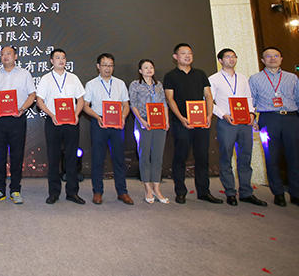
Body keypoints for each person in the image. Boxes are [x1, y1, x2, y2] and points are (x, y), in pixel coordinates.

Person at [249, 46, 299, 209]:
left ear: (281, 58)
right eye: (268, 56)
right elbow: (251, 101)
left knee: (295, 157)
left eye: (276, 56)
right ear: (262, 60)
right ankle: (278, 193)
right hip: (268, 119)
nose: (272, 59)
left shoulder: (292, 78)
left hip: (291, 119)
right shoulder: (255, 79)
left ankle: (296, 194)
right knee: (271, 157)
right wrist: (252, 118)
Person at [163, 43, 222, 204]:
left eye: (189, 53)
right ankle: (180, 192)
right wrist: (181, 118)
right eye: (183, 53)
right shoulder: (170, 76)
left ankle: (204, 191)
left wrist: (209, 115)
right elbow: (170, 99)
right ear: (175, 57)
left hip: (201, 123)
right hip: (181, 123)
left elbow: (208, 96)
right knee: (180, 157)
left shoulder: (200, 74)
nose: (187, 56)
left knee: (202, 157)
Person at [209, 49, 266, 206]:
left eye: (233, 56)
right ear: (220, 60)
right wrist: (223, 115)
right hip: (227, 123)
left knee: (245, 157)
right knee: (226, 157)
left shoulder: (242, 78)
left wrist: (252, 113)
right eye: (228, 57)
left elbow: (248, 98)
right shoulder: (213, 79)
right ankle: (230, 192)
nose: (231, 59)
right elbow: (209, 101)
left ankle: (246, 192)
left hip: (245, 122)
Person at [0, 45, 36, 204]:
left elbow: (32, 94)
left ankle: (15, 190)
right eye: (3, 54)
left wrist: (22, 108)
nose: (5, 56)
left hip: (17, 119)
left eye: (9, 53)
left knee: (17, 155)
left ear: (16, 56)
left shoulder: (25, 74)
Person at [36, 48, 86, 205]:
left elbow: (81, 99)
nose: (61, 60)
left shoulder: (73, 78)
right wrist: (52, 115)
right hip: (53, 122)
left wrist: (76, 114)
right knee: (53, 158)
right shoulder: (46, 79)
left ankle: (72, 192)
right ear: (51, 61)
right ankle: (54, 193)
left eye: (63, 58)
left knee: (72, 158)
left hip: (71, 123)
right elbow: (39, 101)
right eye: (57, 57)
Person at [83, 53, 132, 205]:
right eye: (104, 65)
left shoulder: (120, 83)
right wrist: (97, 117)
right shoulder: (91, 84)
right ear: (98, 66)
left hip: (117, 125)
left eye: (110, 65)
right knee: (98, 159)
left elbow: (126, 105)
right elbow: (85, 106)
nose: (107, 68)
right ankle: (97, 192)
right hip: (99, 123)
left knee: (119, 159)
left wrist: (123, 117)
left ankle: (122, 192)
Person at [128, 59, 170, 204]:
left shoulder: (159, 85)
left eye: (151, 67)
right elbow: (133, 104)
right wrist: (141, 121)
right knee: (144, 155)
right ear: (140, 71)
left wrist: (166, 120)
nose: (149, 70)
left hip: (159, 122)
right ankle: (147, 188)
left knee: (158, 156)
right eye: (145, 68)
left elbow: (164, 103)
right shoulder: (135, 85)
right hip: (144, 122)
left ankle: (157, 189)